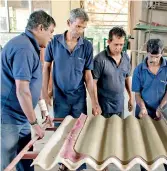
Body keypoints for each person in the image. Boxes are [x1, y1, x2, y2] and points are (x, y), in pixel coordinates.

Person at [42, 8, 101, 170]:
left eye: (83, 28)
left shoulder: (86, 46)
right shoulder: (54, 42)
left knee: (79, 132)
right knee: (61, 132)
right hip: (60, 97)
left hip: (78, 98)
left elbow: (88, 76)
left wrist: (94, 102)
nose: (80, 31)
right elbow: (46, 67)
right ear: (69, 23)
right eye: (78, 26)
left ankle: (78, 164)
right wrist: (45, 93)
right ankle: (63, 163)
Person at [1, 10, 55, 171]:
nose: (51, 36)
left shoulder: (31, 46)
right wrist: (34, 123)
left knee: (25, 156)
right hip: (9, 116)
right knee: (10, 160)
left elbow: (33, 85)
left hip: (22, 114)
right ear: (40, 28)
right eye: (50, 32)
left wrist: (44, 110)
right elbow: (22, 90)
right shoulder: (23, 48)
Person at [132, 39, 167, 171]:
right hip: (144, 110)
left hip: (162, 110)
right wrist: (143, 107)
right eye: (151, 56)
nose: (154, 60)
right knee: (145, 146)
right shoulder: (139, 69)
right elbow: (137, 93)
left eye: (157, 57)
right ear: (147, 53)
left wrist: (160, 107)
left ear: (162, 53)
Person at [92, 27, 133, 118]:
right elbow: (93, 83)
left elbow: (127, 77)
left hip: (119, 104)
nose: (118, 48)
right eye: (116, 44)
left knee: (118, 130)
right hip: (104, 106)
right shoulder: (99, 59)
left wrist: (131, 96)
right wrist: (95, 103)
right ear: (109, 42)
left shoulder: (126, 58)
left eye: (121, 45)